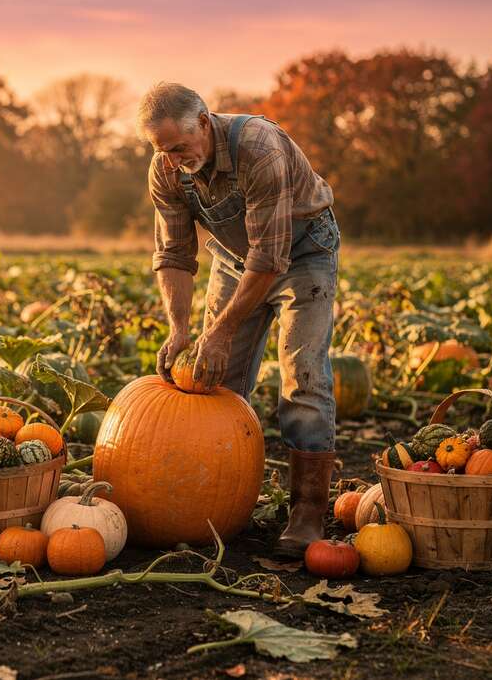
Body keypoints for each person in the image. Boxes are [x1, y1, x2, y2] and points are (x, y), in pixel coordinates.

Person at [138, 82, 341, 558]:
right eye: (161, 150)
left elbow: (269, 261)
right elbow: (173, 254)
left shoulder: (258, 148)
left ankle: (308, 512)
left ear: (205, 124)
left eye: (180, 147)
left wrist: (221, 331)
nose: (172, 159)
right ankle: (221, 500)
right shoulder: (166, 169)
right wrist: (183, 329)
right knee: (216, 379)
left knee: (303, 375)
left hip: (303, 252)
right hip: (234, 258)